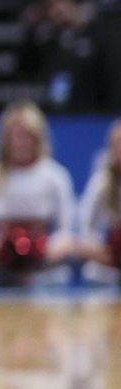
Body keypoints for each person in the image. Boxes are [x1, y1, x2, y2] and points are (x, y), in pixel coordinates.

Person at [0, 102, 77, 286]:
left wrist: (43, 252)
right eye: (15, 136)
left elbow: (65, 231)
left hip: (43, 264)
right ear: (5, 140)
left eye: (27, 136)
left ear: (39, 139)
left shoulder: (56, 177)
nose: (21, 142)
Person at [76, 118, 121, 283]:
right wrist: (101, 251)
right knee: (92, 272)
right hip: (107, 265)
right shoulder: (101, 183)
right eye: (118, 144)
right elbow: (85, 227)